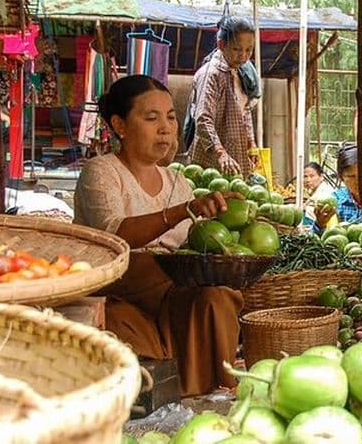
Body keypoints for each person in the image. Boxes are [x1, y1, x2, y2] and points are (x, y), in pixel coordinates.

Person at [74, 75, 245, 396]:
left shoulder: (178, 182)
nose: (165, 128)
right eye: (151, 118)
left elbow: (194, 246)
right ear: (120, 126)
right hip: (119, 287)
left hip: (172, 290)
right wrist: (180, 212)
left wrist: (224, 224)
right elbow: (114, 237)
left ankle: (214, 392)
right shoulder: (102, 171)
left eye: (170, 117)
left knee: (216, 297)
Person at [187, 15, 259, 177]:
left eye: (249, 50)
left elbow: (245, 111)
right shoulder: (210, 74)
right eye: (236, 49)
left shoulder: (240, 73)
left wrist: (251, 143)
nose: (243, 56)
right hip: (212, 163)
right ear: (221, 45)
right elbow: (203, 118)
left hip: (237, 158)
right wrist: (220, 153)